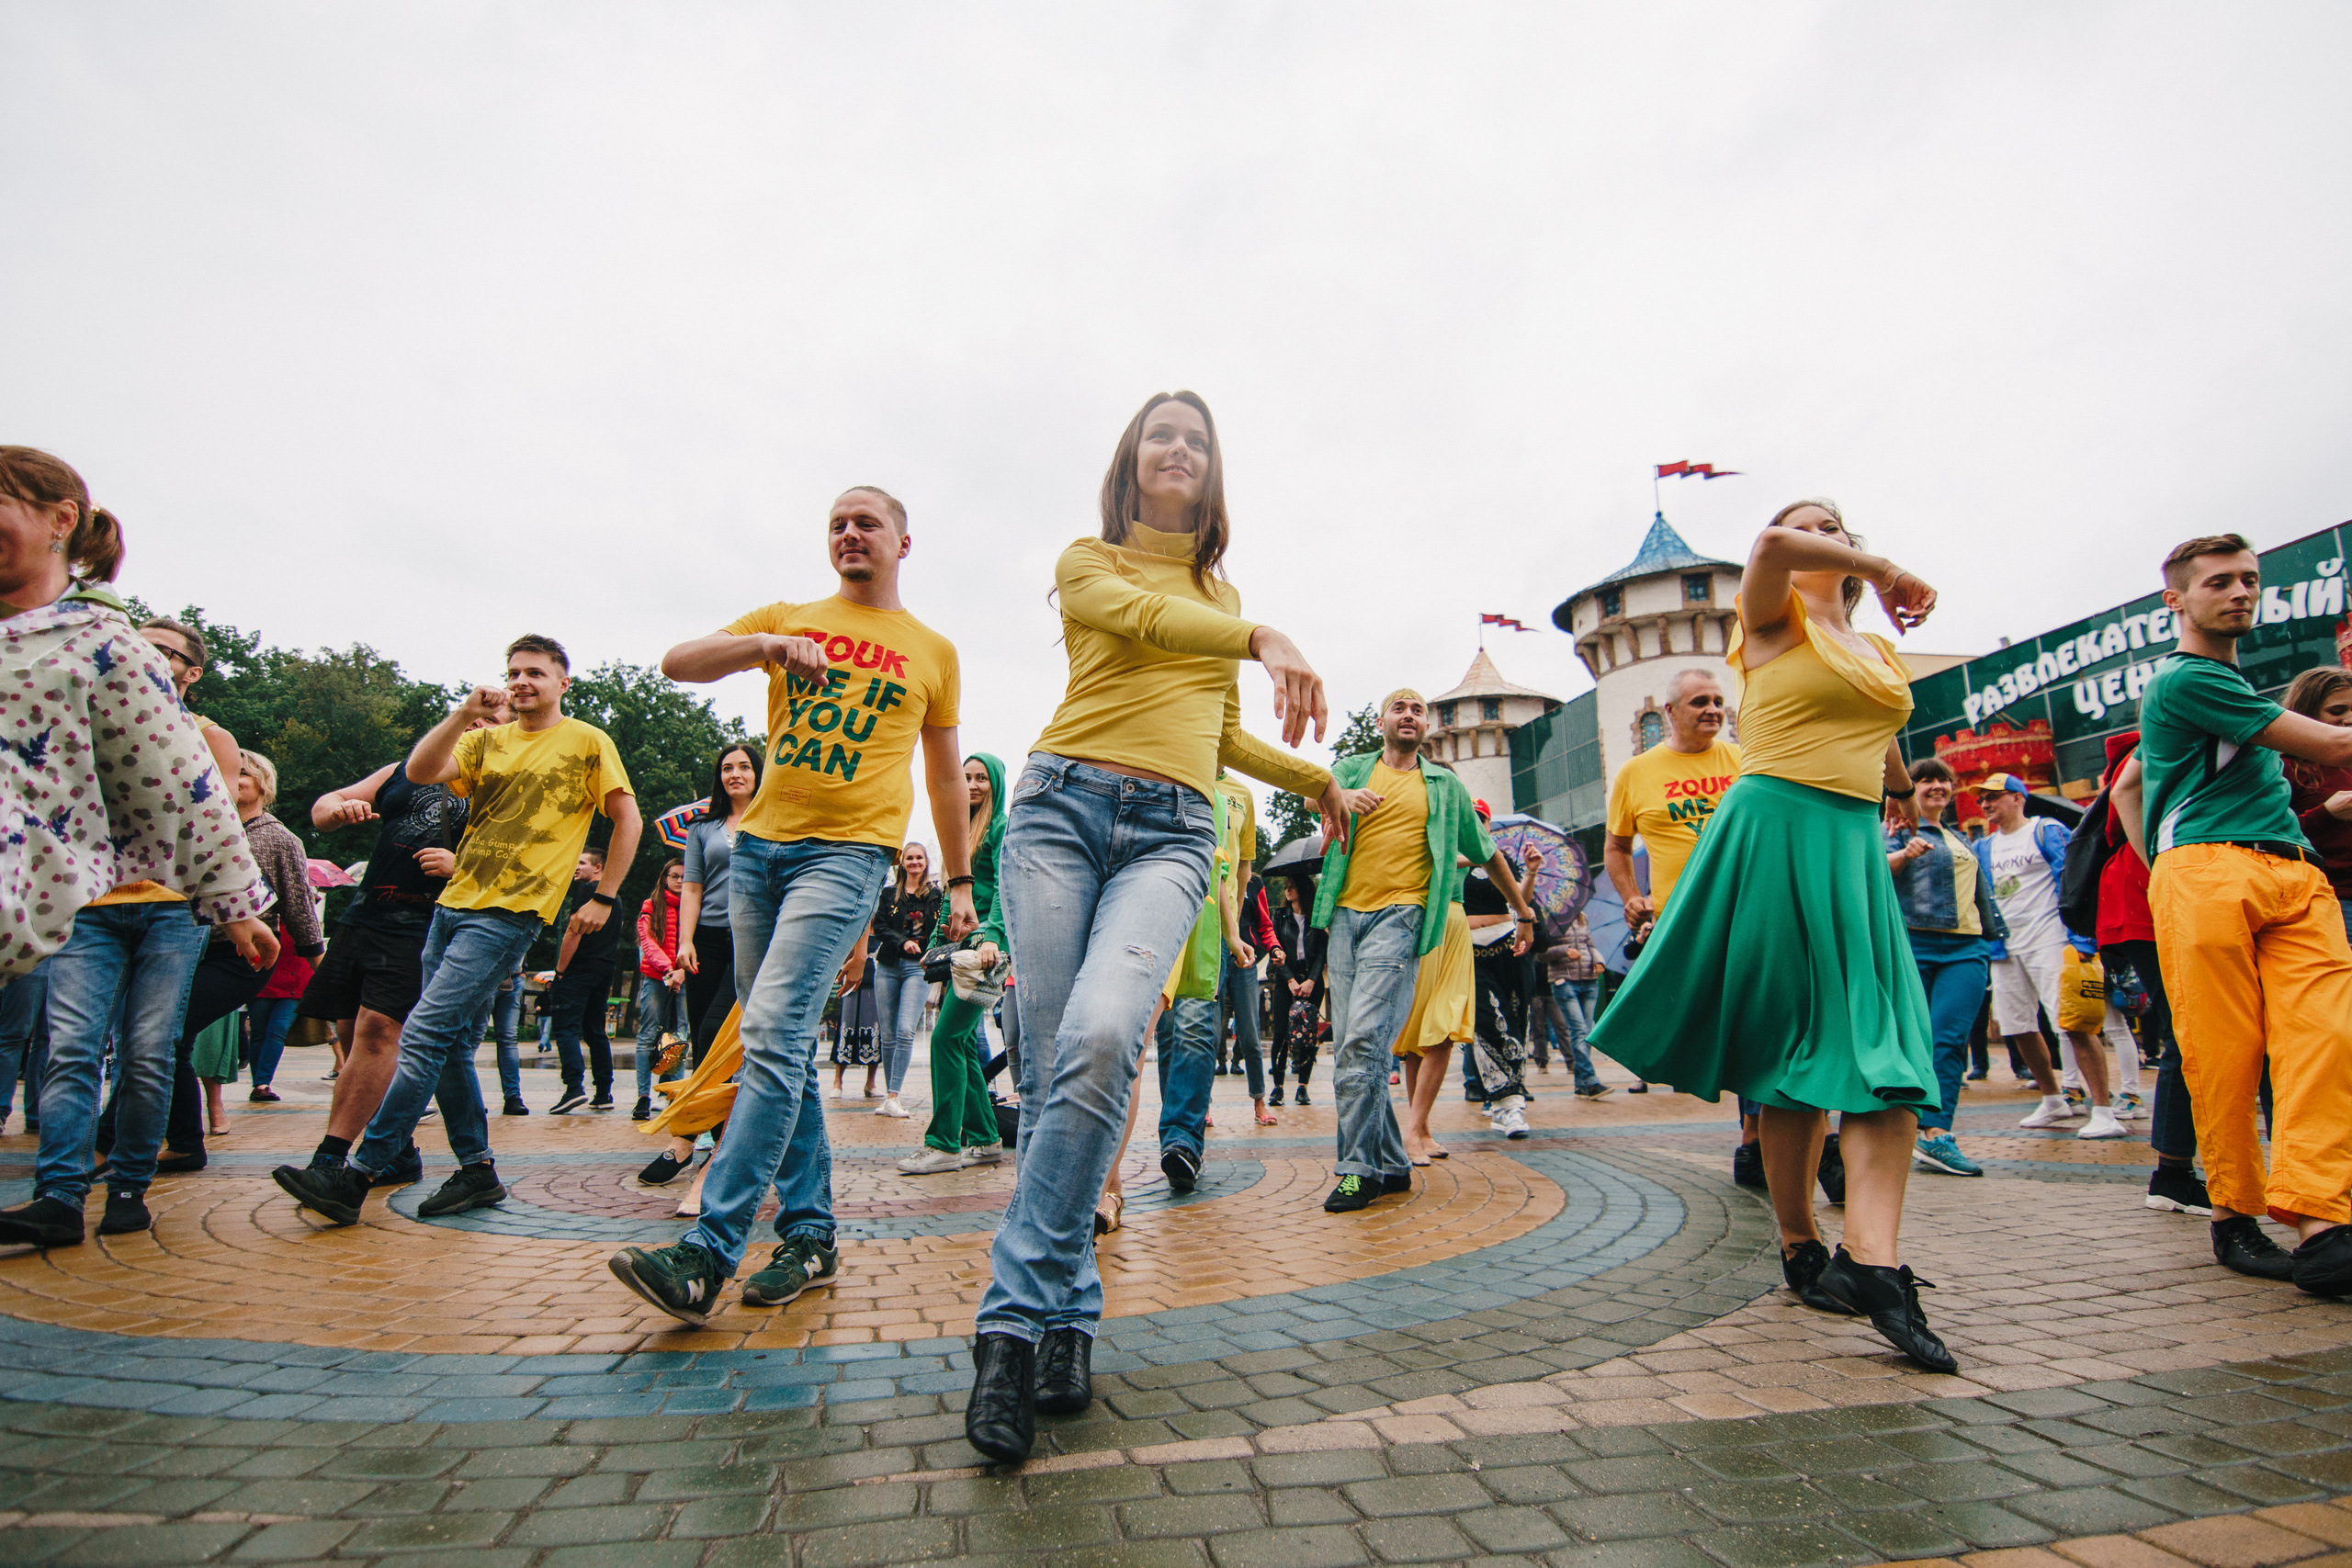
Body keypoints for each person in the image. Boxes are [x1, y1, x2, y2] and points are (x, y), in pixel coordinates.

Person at [962, 392, 1350, 1462]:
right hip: (1057, 814)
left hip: (1173, 834)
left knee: (1099, 1040)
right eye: (1158, 435)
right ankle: (1068, 1317)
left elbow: (1220, 734)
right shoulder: (1092, 562)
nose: (1177, 448)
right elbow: (1146, 626)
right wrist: (1262, 633)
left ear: (1211, 472)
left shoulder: (1217, 593)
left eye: (1197, 439)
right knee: (1052, 1072)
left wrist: (1313, 779)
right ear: (1130, 463)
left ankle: (1006, 1323)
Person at [1587, 497, 1957, 1371]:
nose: (1827, 532)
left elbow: (1886, 754)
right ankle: (1801, 1245)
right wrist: (1886, 567)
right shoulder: (1769, 616)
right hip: (1775, 831)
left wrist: (1904, 783)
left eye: (1840, 523)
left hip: (1850, 845)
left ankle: (1872, 1259)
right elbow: (1764, 544)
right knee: (1794, 1059)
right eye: (1812, 524)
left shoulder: (1877, 651)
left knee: (1882, 1053)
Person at [613, 484, 974, 1329]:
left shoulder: (932, 649)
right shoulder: (791, 616)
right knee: (781, 1045)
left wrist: (958, 881)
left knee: (772, 1032)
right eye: (837, 524)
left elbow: (944, 773)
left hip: (848, 856)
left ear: (903, 543)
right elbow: (677, 660)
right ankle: (811, 1233)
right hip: (758, 855)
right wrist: (767, 645)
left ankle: (708, 1251)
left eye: (867, 523)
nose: (851, 534)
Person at [0, 446, 279, 1247]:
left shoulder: (103, 650)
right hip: (74, 910)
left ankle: (127, 1184)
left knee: (150, 1053)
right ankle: (59, 1195)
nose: (154, 656)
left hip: (162, 912)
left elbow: (190, 794)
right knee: (69, 1055)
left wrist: (236, 906)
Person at [273, 634, 640, 1224]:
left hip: (511, 911)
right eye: (514, 672)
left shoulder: (587, 741)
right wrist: (465, 713)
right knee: (445, 1049)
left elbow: (627, 817)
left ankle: (356, 1172)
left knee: (421, 1032)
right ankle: (476, 1170)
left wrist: (603, 895)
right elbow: (420, 770)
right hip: (452, 905)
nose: (522, 682)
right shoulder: (487, 740)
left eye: (536, 673)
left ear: (562, 683)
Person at [2112, 535, 2352, 1294]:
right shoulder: (2184, 680)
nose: (2242, 591)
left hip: (2289, 869)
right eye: (2220, 581)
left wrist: (2160, 862)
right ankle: (2234, 1217)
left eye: (2250, 578)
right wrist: (2175, 870)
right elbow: (2332, 742)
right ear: (2175, 600)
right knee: (2224, 1053)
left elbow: (2125, 787)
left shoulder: (2221, 686)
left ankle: (2320, 1219)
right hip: (2212, 870)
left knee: (2325, 1037)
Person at [1313, 689, 1536, 1210]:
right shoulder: (1350, 769)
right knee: (1350, 1043)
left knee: (1364, 1044)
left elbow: (1488, 853)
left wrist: (1523, 913)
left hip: (1403, 916)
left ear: (1427, 726)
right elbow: (1312, 795)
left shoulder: (1444, 785)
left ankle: (1357, 1169)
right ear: (1381, 719)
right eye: (1399, 707)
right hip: (1343, 919)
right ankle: (1392, 1162)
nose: (1409, 715)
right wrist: (1335, 798)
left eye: (1418, 710)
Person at [292, 689, 514, 1178]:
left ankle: (330, 1160)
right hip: (366, 913)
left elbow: (529, 867)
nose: (478, 727)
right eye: (471, 720)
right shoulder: (409, 768)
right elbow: (328, 802)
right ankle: (398, 1152)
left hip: (427, 924)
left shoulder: (507, 787)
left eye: (492, 722)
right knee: (353, 1040)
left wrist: (464, 866)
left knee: (379, 1033)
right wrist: (336, 811)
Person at [1605, 669, 1754, 1167]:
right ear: (1670, 712)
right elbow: (1617, 847)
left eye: (1717, 700)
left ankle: (1758, 1138)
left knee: (1758, 1019)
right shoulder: (1637, 772)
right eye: (1698, 702)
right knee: (1723, 1028)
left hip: (1749, 908)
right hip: (1684, 923)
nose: (1712, 709)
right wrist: (1632, 896)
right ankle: (1758, 1136)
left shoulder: (1744, 759)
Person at [1973, 773, 2136, 1139]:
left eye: (1994, 797)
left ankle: (2103, 1110)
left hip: (2051, 940)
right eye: (1982, 799)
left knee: (2073, 1023)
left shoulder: (2046, 830)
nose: (1985, 805)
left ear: (2018, 798)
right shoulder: (1984, 847)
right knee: (2017, 1027)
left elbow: (2073, 879)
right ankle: (2052, 1098)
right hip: (2005, 946)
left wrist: (2081, 939)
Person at [2095, 730, 2204, 1216]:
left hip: (2141, 904)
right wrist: (2163, 870)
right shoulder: (2164, 740)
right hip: (2151, 903)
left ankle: (2176, 1170)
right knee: (2191, 1030)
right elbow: (2126, 797)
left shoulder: (2149, 748)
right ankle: (2174, 1172)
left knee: (2190, 1029)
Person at [1886, 758, 2002, 1178]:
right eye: (1926, 780)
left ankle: (1936, 1134)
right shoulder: (1893, 828)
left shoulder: (1959, 837)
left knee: (1949, 1041)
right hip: (1912, 942)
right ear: (1908, 788)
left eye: (1943, 781)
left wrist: (1995, 939)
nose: (1937, 787)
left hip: (1966, 947)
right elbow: (1870, 873)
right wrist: (1903, 852)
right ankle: (1895, 1131)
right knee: (1909, 1041)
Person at [901, 754, 1013, 1175]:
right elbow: (952, 896)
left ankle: (944, 1143)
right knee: (963, 1042)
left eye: (981, 778)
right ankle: (985, 1138)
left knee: (945, 1039)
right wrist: (934, 943)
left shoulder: (1002, 827)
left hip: (984, 951)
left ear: (996, 783)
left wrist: (993, 938)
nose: (972, 785)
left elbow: (1004, 888)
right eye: (965, 777)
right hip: (959, 950)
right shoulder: (959, 831)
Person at [677, 743, 762, 1067]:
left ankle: (737, 1108)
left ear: (757, 774)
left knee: (719, 1027)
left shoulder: (773, 823)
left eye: (744, 767)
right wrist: (685, 941)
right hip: (707, 939)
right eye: (727, 769)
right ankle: (705, 1116)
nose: (735, 774)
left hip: (751, 936)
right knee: (700, 1030)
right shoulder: (701, 827)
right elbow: (692, 887)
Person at [547, 846, 624, 1113]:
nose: (576, 867)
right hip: (604, 969)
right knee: (596, 1031)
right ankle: (604, 1092)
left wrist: (559, 970)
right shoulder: (616, 898)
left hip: (579, 971)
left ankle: (573, 1088)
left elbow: (573, 931)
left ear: (598, 868)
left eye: (582, 862)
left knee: (566, 1029)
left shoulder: (588, 892)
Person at [869, 840, 942, 1120]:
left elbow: (938, 930)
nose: (913, 862)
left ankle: (893, 1096)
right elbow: (880, 926)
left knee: (904, 1030)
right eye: (909, 858)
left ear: (925, 863)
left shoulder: (934, 895)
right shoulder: (889, 894)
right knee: (887, 1034)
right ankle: (890, 1095)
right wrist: (902, 942)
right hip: (888, 964)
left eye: (919, 858)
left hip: (918, 969)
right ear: (903, 863)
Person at [632, 859, 689, 1121]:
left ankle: (671, 1094)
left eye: (684, 877)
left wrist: (681, 972)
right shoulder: (651, 906)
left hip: (685, 977)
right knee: (649, 1034)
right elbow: (648, 941)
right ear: (664, 878)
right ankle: (643, 1096)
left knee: (677, 1036)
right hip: (657, 977)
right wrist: (669, 971)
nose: (679, 881)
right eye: (674, 875)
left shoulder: (693, 907)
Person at [1266, 873, 1325, 1106]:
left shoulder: (1315, 917)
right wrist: (1289, 979)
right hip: (1285, 979)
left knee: (1308, 1035)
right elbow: (1274, 948)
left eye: (1292, 886)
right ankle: (1278, 1086)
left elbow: (1322, 951)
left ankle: (1303, 1087)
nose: (1288, 890)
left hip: (1311, 980)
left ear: (1303, 888)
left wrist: (1311, 980)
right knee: (1280, 1033)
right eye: (1286, 887)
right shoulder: (1280, 917)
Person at [1539, 912, 1611, 1100]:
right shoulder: (1549, 919)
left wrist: (1598, 960)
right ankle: (1591, 1081)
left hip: (1589, 980)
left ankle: (1581, 1085)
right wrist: (1565, 950)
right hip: (1564, 981)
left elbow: (1590, 945)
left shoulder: (1583, 917)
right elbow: (1540, 954)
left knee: (1588, 1030)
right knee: (1579, 1030)